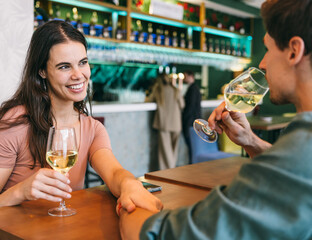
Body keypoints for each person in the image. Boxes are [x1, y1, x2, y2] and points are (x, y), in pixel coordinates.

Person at [119, 0, 312, 239]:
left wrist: (129, 196)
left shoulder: (302, 149)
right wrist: (250, 141)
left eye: (267, 49)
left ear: (294, 51)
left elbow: (163, 235)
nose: (262, 64)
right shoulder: (299, 151)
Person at [0, 20, 162, 238]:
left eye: (83, 62)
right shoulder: (14, 126)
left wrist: (129, 184)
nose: (78, 75)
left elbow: (113, 173)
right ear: (42, 71)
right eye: (64, 66)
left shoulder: (92, 128)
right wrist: (20, 192)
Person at [145, 71, 185, 170]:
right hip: (176, 123)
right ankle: (172, 168)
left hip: (164, 123)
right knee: (173, 150)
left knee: (165, 151)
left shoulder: (158, 90)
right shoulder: (175, 90)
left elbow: (148, 100)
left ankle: (167, 171)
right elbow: (182, 105)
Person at [181, 71, 202, 163]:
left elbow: (190, 106)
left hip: (190, 122)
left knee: (192, 146)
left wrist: (184, 118)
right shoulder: (194, 88)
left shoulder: (193, 89)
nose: (184, 78)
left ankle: (192, 165)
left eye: (185, 76)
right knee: (192, 146)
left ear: (191, 76)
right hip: (193, 121)